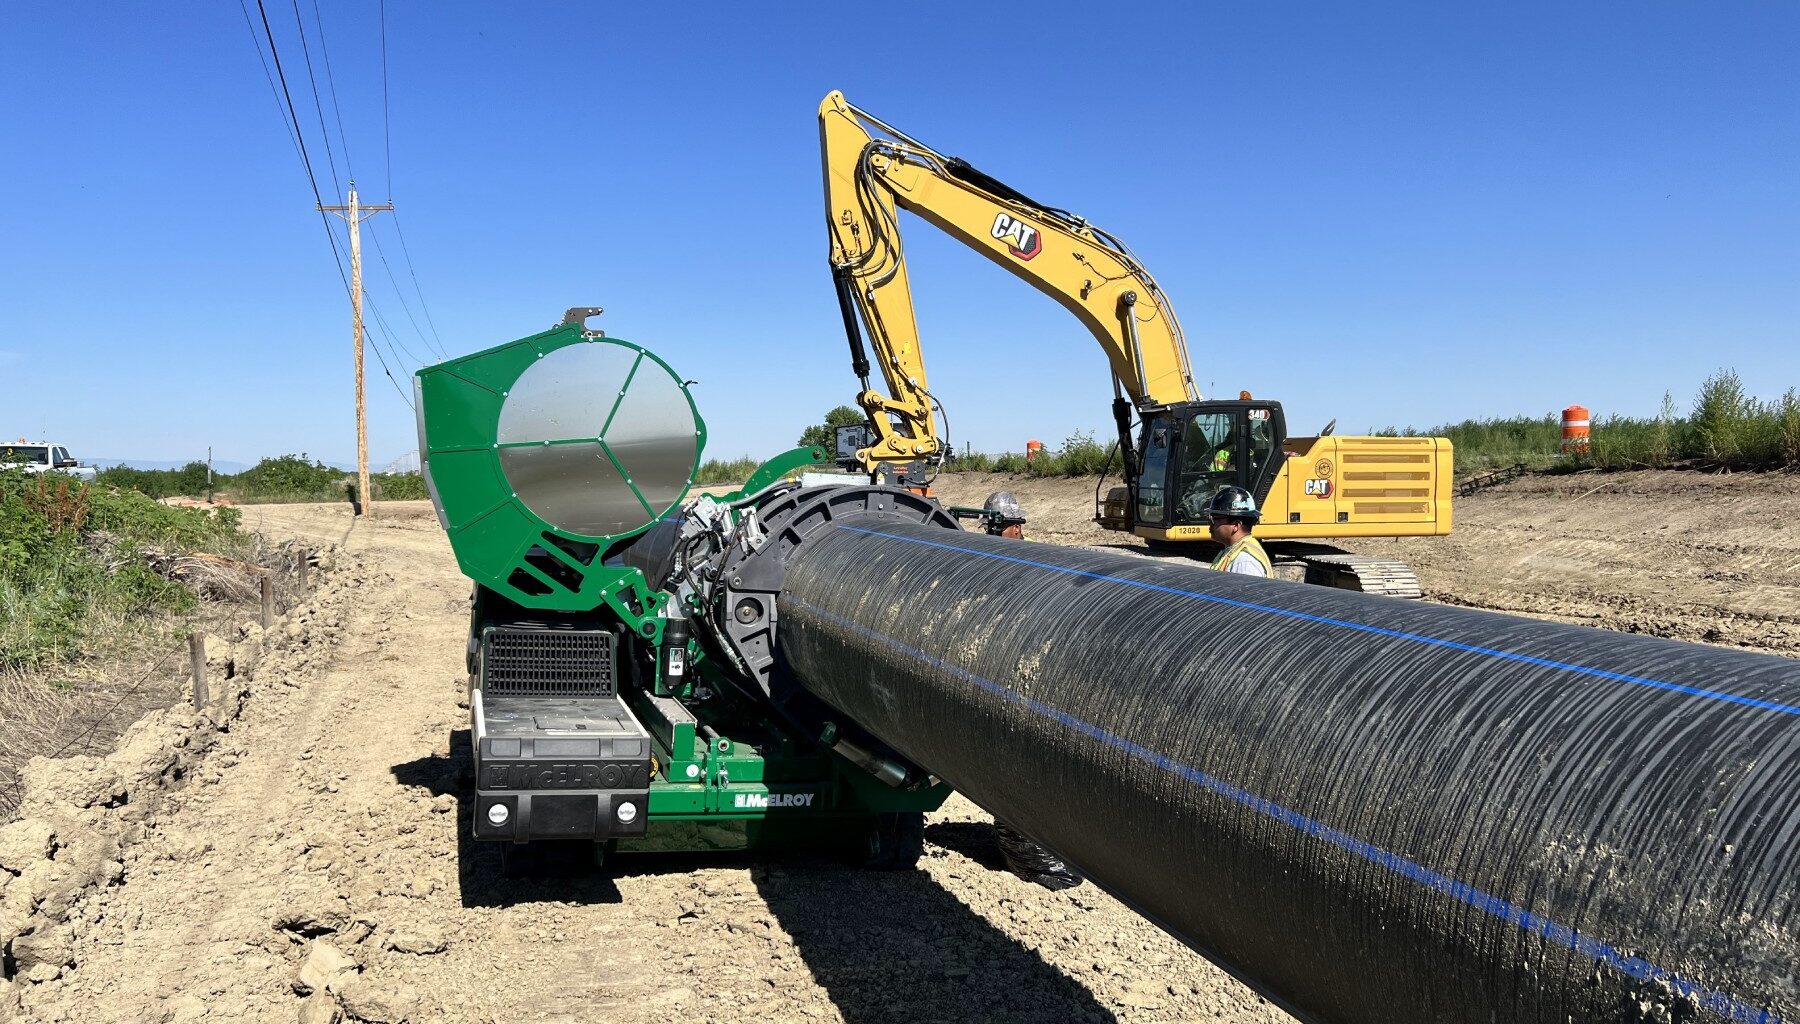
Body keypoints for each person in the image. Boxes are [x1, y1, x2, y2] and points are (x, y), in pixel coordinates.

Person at [1207, 486, 1271, 577]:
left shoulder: (1244, 562)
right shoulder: (1231, 551)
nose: (1210, 523)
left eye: (1215, 519)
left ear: (1236, 525)